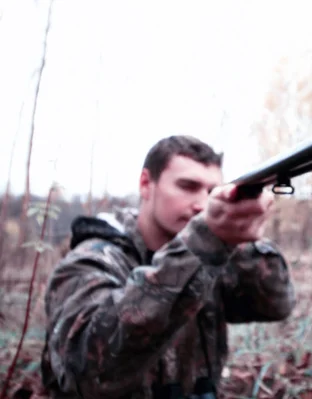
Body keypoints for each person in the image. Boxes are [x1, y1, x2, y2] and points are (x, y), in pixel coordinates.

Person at [40, 135, 296, 399]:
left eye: (211, 192)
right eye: (187, 186)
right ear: (146, 184)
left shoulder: (212, 252)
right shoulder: (93, 260)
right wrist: (205, 239)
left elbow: (276, 304)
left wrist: (238, 236)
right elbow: (89, 374)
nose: (201, 204)